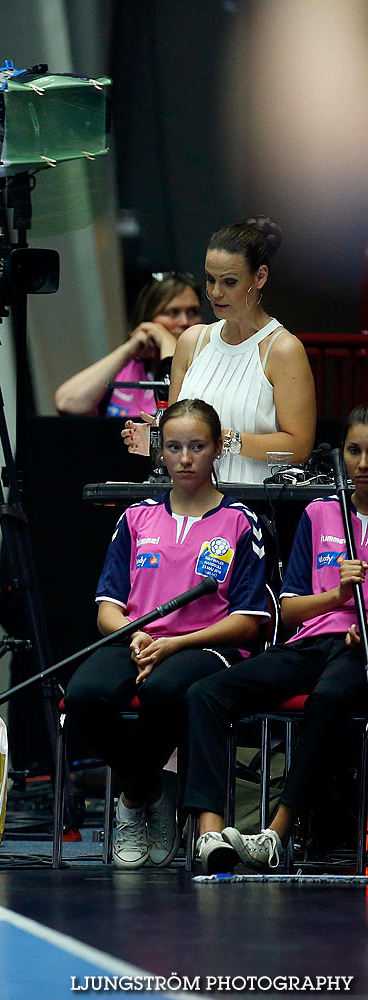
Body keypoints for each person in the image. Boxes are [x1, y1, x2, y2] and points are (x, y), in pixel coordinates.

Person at [64, 399, 270, 869]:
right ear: (160, 451)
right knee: (83, 696)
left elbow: (250, 620)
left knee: (164, 691)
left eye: (197, 446)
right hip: (138, 639)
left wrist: (176, 643)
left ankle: (132, 802)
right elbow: (108, 610)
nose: (185, 458)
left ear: (217, 449)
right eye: (174, 447)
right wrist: (135, 635)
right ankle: (151, 788)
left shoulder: (240, 520)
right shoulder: (136, 517)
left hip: (207, 644)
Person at [185, 406, 368, 873]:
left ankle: (275, 835)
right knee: (206, 693)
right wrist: (337, 594)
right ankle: (210, 834)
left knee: (327, 698)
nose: (362, 463)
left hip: (359, 649)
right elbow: (289, 610)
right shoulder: (320, 512)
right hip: (312, 642)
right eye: (353, 450)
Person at [122, 218, 316, 482]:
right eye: (210, 279)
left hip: (254, 504)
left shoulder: (283, 349)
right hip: (191, 501)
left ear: (260, 276)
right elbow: (179, 436)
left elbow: (299, 448)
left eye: (229, 282)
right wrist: (160, 441)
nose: (215, 293)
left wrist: (223, 440)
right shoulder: (192, 341)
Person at [53, 272, 203, 416]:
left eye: (193, 312)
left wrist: (165, 339)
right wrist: (128, 349)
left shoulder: (204, 368)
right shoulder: (127, 368)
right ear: (148, 318)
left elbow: (179, 408)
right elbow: (67, 403)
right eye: (173, 312)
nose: (185, 322)